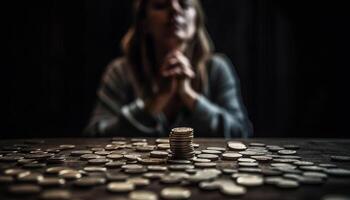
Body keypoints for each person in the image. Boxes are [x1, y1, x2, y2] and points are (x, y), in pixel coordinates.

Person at [85, 0, 252, 138]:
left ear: (196, 20)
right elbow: (95, 135)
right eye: (161, 5)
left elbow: (241, 133)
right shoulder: (120, 71)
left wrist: (189, 96)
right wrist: (156, 100)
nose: (174, 9)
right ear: (144, 23)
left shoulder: (217, 68)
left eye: (185, 4)